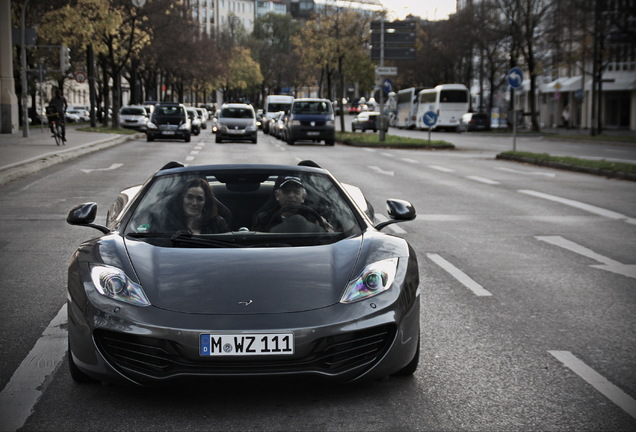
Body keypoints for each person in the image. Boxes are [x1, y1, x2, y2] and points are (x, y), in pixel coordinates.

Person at [252, 175, 332, 233]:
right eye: (286, 191)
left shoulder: (315, 218)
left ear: (303, 197)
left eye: (296, 192)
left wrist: (325, 228)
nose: (291, 196)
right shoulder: (264, 219)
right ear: (277, 195)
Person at [162, 178, 229, 234]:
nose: (194, 203)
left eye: (200, 199)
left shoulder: (217, 224)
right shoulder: (170, 222)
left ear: (206, 202)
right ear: (182, 199)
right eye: (189, 197)